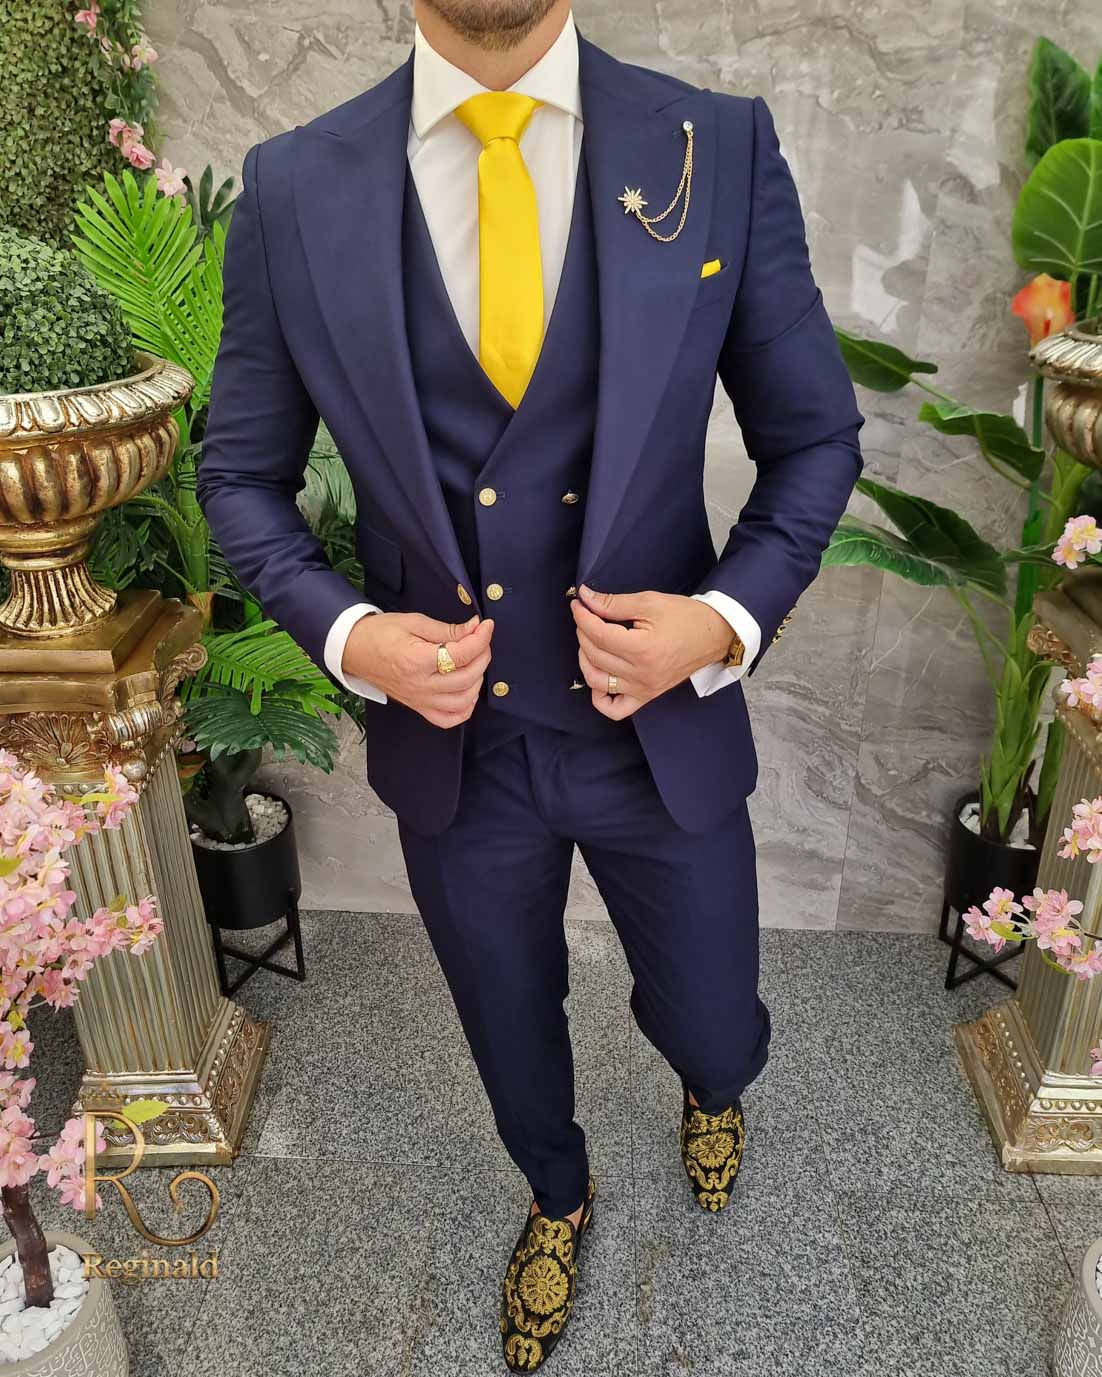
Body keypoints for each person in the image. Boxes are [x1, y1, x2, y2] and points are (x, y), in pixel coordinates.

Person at [197, 1, 865, 1368]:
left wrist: (719, 620)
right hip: (459, 750)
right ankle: (557, 1193)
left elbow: (814, 441)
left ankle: (710, 1082)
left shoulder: (715, 146)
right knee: (505, 1018)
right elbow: (241, 476)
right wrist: (350, 637)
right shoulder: (293, 186)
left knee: (717, 1019)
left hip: (656, 730)